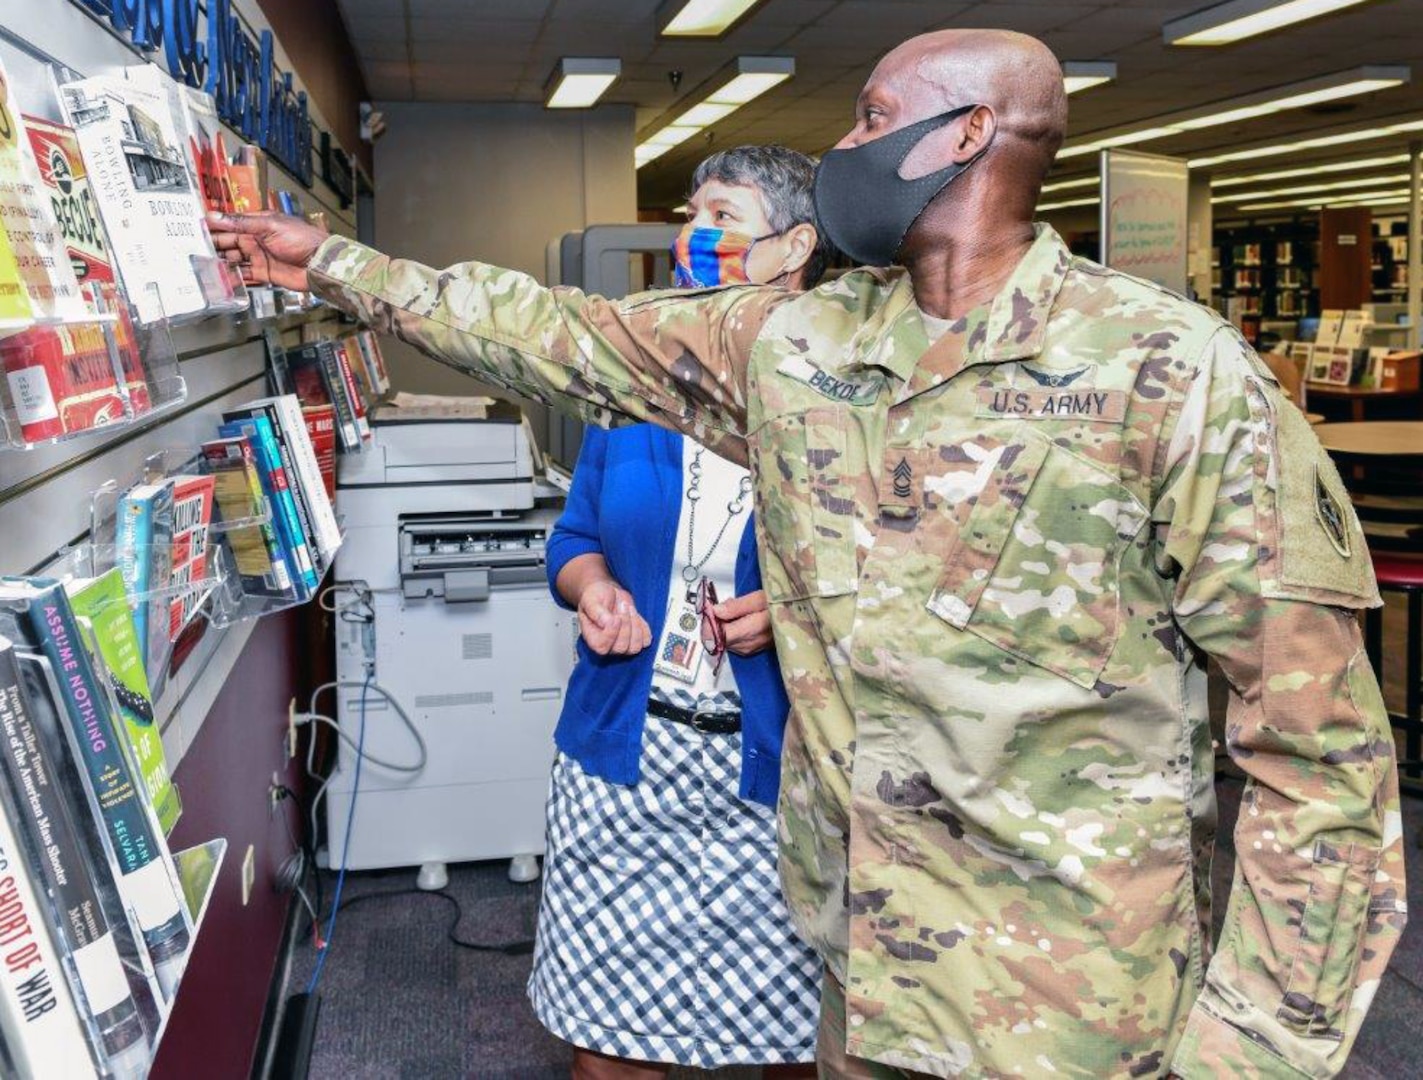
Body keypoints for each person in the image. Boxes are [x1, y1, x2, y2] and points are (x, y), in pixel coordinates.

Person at [208, 28, 1405, 1080]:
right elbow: (565, 336)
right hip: (859, 964)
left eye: (873, 118)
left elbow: (1317, 754)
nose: (843, 145)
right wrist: (332, 265)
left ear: (966, 135)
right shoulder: (798, 340)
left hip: (1073, 1000)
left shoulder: (1170, 372)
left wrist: (1255, 1048)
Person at [529, 145, 828, 1079]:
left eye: (724, 217)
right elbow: (573, 536)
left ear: (795, 247)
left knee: (789, 1038)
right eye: (691, 214)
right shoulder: (638, 392)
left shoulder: (843, 396)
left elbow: (906, 572)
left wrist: (797, 608)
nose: (695, 234)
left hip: (774, 773)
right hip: (626, 755)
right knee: (606, 1044)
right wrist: (594, 588)